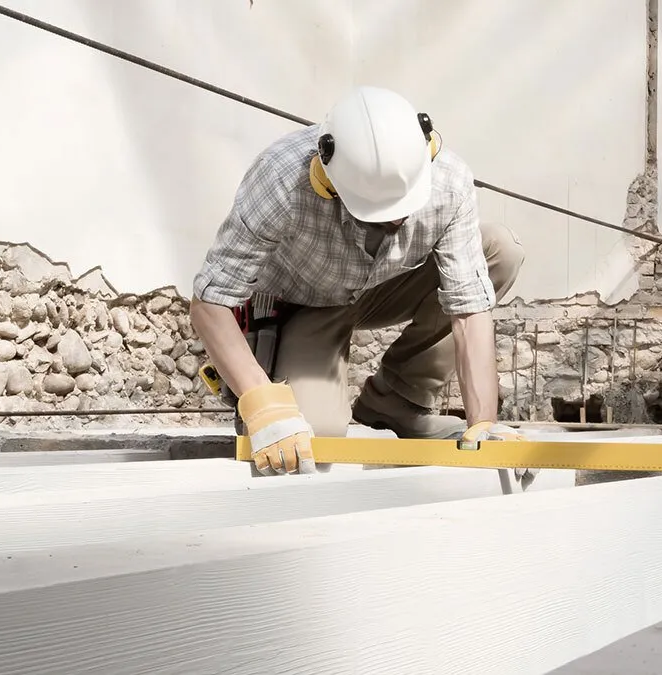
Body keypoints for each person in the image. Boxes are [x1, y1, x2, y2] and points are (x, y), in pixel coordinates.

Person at [189, 85, 531, 480]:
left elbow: (469, 307)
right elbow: (210, 301)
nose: (396, 221)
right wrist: (262, 404)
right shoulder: (280, 178)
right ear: (327, 178)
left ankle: (397, 402)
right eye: (379, 214)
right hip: (300, 304)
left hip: (384, 287)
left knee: (499, 250)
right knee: (314, 445)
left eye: (404, 209)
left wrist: (483, 426)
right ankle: (275, 386)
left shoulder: (449, 181)